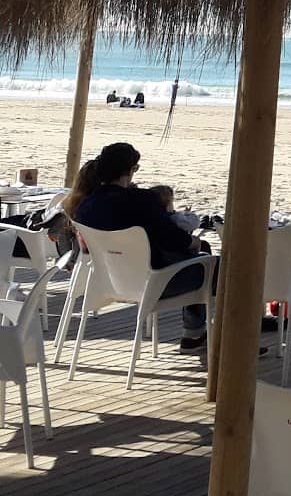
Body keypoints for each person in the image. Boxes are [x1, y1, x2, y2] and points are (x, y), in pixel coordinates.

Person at [71, 143, 215, 350]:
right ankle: (204, 333)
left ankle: (197, 333)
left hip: (108, 281)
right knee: (216, 267)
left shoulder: (85, 206)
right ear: (129, 171)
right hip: (154, 283)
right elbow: (172, 239)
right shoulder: (142, 200)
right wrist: (196, 242)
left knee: (203, 260)